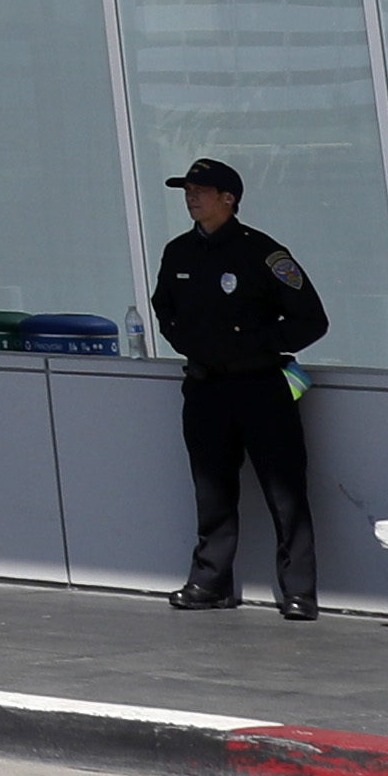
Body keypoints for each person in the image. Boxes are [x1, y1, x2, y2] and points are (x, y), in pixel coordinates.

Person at [149, 156, 333, 617]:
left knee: (284, 492)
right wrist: (192, 344)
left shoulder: (262, 253)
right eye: (186, 190)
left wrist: (256, 348)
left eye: (200, 190)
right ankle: (210, 583)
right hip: (206, 389)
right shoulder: (178, 252)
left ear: (227, 199)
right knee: (211, 491)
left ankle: (298, 592)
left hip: (261, 388)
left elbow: (311, 319)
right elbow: (164, 308)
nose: (191, 197)